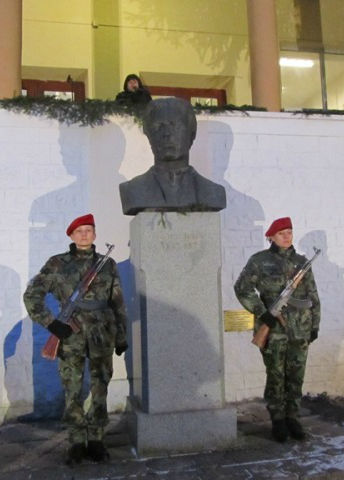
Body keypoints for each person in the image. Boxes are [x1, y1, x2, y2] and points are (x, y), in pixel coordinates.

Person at [23, 214, 128, 464]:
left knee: (100, 387)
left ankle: (97, 439)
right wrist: (52, 323)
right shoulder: (57, 264)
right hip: (71, 335)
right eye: (79, 231)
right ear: (70, 235)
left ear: (95, 234)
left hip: (103, 333)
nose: (84, 234)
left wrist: (121, 335)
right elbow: (32, 295)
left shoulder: (107, 264)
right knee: (72, 388)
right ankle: (76, 441)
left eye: (88, 230)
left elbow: (118, 302)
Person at [234, 217, 320, 442]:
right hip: (273, 331)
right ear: (270, 236)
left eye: (290, 232)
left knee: (296, 376)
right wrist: (263, 314)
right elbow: (242, 288)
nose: (287, 236)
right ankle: (278, 420)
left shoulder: (302, 263)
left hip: (300, 330)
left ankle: (293, 418)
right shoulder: (259, 261)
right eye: (281, 233)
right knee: (275, 376)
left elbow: (312, 296)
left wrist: (314, 326)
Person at [119, 97, 226, 215]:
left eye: (175, 125)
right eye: (158, 126)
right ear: (149, 136)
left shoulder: (213, 192)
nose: (167, 134)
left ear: (192, 134)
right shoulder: (133, 190)